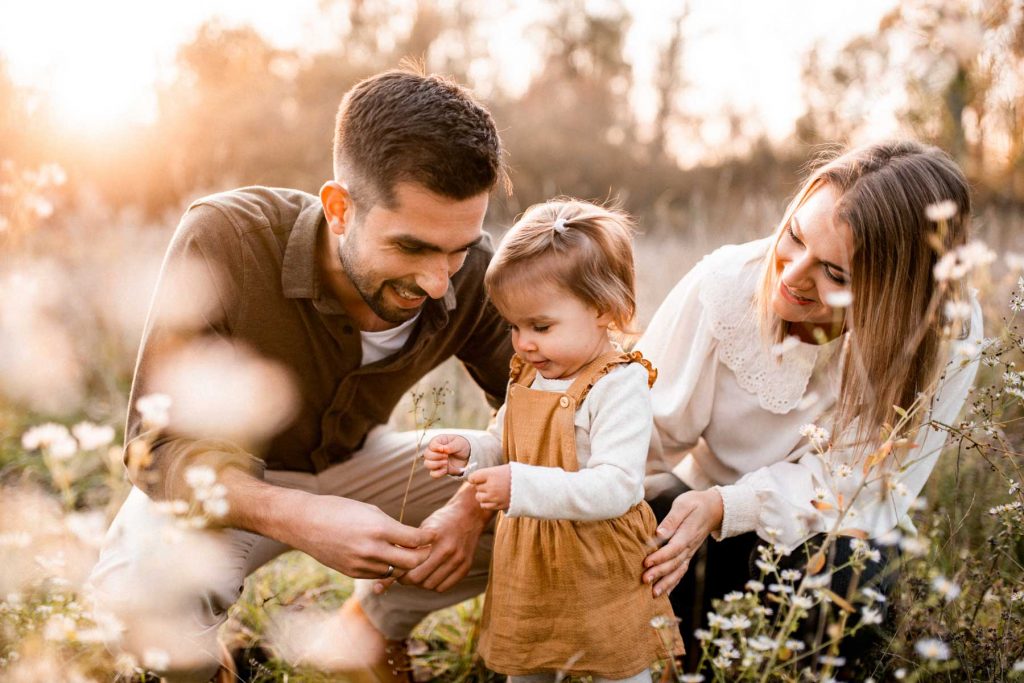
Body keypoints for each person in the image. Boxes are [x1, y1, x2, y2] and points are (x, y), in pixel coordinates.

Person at [87, 68, 514, 682]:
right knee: (136, 605)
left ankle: (367, 630)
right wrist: (300, 516)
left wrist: (472, 505)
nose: (439, 280)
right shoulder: (227, 237)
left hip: (361, 464)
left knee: (549, 497)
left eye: (459, 248)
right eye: (412, 248)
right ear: (340, 209)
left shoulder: (472, 270)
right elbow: (154, 450)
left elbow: (542, 404)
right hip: (227, 489)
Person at [636, 140, 983, 667]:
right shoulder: (726, 284)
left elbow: (867, 494)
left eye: (835, 274)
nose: (793, 274)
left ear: (895, 291)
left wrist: (734, 507)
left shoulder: (944, 333)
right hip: (699, 510)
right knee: (644, 523)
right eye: (795, 237)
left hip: (826, 539)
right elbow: (641, 429)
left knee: (851, 574)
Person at [423, 199, 684, 683]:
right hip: (530, 555)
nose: (522, 343)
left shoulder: (618, 384)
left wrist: (520, 486)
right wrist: (470, 450)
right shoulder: (529, 374)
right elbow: (504, 441)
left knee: (618, 661)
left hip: (599, 558)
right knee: (530, 657)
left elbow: (618, 486)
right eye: (513, 327)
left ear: (606, 311)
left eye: (540, 327)